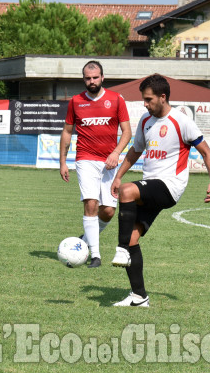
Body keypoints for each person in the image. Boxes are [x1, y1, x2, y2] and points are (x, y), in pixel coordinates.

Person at [110, 74, 210, 307]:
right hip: (152, 185)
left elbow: (207, 153)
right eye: (144, 100)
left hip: (170, 186)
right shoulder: (145, 121)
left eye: (148, 99)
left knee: (128, 191)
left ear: (163, 96)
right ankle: (139, 297)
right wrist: (118, 176)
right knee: (132, 239)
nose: (145, 104)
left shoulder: (182, 121)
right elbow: (135, 151)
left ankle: (120, 250)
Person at [60, 61, 132, 268]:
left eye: (95, 77)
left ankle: (84, 240)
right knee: (91, 203)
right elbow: (67, 131)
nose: (91, 81)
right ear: (84, 79)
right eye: (87, 78)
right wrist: (63, 162)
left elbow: (127, 132)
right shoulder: (75, 101)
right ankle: (95, 256)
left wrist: (116, 153)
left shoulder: (116, 100)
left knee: (108, 210)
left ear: (102, 77)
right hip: (85, 159)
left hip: (109, 162)